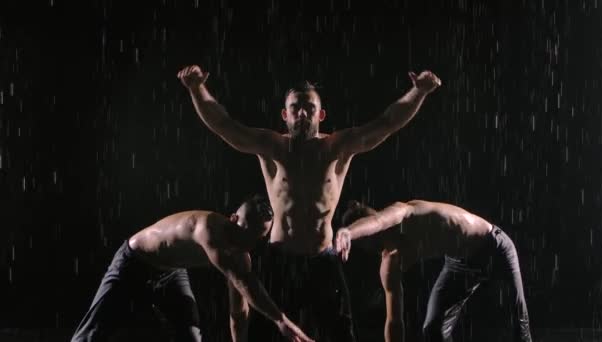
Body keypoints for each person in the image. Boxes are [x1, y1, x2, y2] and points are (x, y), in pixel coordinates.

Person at [177, 65, 441, 341]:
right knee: (266, 335)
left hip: (323, 261)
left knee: (341, 336)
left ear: (321, 114)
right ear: (285, 114)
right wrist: (197, 88)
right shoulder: (272, 147)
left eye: (309, 108)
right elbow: (224, 126)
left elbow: (386, 123)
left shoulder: (337, 148)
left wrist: (419, 91)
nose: (302, 114)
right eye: (295, 108)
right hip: (280, 261)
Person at [71, 195, 314, 342]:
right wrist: (280, 320)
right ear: (233, 219)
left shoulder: (240, 260)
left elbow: (238, 315)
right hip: (134, 263)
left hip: (172, 273)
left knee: (191, 337)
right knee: (91, 334)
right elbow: (244, 283)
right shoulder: (208, 229)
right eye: (245, 232)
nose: (247, 242)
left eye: (256, 238)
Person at [335, 200, 532, 342]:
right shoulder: (390, 262)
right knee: (433, 329)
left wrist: (348, 232)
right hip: (459, 264)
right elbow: (394, 321)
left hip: (493, 246)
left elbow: (379, 220)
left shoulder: (402, 212)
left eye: (367, 235)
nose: (373, 246)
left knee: (518, 324)